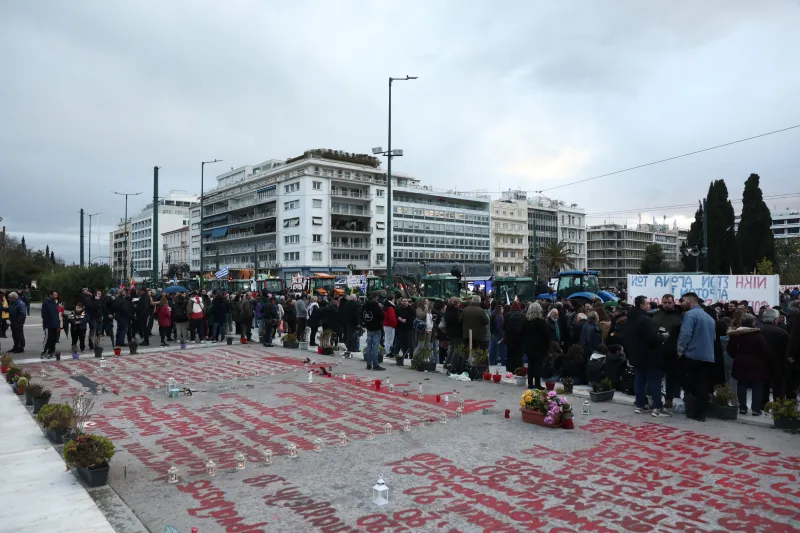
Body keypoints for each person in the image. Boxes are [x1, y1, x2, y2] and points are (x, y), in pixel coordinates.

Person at [617, 295, 669, 417]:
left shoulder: (629, 319)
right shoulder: (645, 319)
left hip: (636, 356)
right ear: (641, 305)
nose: (649, 305)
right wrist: (662, 337)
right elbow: (652, 338)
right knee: (654, 381)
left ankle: (640, 405)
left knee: (639, 380)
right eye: (647, 304)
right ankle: (657, 407)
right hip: (650, 356)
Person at [676, 292, 717, 422]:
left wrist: (680, 350)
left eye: (683, 301)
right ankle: (701, 413)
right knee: (702, 384)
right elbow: (714, 338)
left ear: (690, 300)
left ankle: (695, 408)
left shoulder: (690, 315)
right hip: (707, 356)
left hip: (692, 355)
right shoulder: (709, 318)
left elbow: (685, 334)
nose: (681, 304)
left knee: (686, 380)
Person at [727, 313, 773, 415]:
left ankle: (743, 407)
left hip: (740, 361)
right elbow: (766, 350)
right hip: (757, 363)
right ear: (753, 322)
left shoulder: (736, 334)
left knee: (741, 384)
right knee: (757, 385)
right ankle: (756, 409)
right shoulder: (758, 335)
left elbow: (729, 349)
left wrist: (737, 356)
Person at [651, 294, 683, 408]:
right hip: (657, 351)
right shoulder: (655, 315)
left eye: (669, 302)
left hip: (672, 352)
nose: (667, 305)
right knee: (656, 377)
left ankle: (670, 399)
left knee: (671, 378)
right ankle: (655, 399)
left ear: (673, 303)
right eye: (665, 302)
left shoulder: (680, 316)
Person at [758, 308, 790, 406]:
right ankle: (778, 406)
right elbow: (787, 349)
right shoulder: (781, 332)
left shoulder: (758, 330)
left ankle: (763, 404)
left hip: (761, 362)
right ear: (776, 319)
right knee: (778, 386)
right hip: (778, 363)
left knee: (763, 384)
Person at [523, 302, 550, 390]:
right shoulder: (542, 322)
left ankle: (530, 383)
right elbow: (546, 335)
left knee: (530, 364)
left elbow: (523, 334)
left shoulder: (527, 322)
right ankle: (537, 383)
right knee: (538, 365)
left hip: (529, 346)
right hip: (540, 347)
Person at [361, 292, 385, 371]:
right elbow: (382, 316)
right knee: (375, 347)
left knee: (369, 347)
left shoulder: (364, 305)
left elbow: (362, 315)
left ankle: (368, 364)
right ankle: (375, 364)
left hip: (369, 327)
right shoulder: (375, 306)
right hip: (376, 328)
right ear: (375, 297)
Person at [41, 291, 61, 360]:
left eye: (57, 295)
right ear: (50, 295)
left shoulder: (55, 303)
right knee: (48, 339)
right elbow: (43, 314)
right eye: (55, 295)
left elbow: (56, 314)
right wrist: (48, 322)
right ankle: (44, 352)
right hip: (49, 324)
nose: (56, 296)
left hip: (55, 324)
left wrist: (58, 323)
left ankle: (52, 351)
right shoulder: (46, 303)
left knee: (54, 339)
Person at [489, 302, 506, 367]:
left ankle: (492, 361)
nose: (503, 310)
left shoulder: (492, 314)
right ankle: (503, 361)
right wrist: (502, 335)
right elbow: (499, 327)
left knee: (492, 348)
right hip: (498, 334)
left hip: (493, 333)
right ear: (500, 309)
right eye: (502, 309)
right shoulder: (499, 316)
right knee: (501, 348)